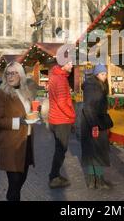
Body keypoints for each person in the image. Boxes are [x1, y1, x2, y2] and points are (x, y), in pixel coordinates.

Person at [0, 62, 35, 201]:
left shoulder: (25, 92)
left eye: (14, 73)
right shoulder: (0, 93)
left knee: (21, 181)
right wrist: (17, 122)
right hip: (11, 145)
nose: (10, 76)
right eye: (8, 73)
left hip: (25, 142)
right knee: (14, 184)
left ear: (21, 74)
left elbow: (27, 113)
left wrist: (35, 115)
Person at [81, 64, 113, 189]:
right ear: (96, 74)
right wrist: (94, 125)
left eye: (105, 74)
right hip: (94, 123)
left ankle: (94, 180)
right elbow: (88, 107)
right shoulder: (93, 86)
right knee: (97, 151)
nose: (104, 76)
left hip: (94, 122)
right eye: (102, 74)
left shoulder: (97, 85)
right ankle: (96, 180)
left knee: (94, 151)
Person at [47, 59, 75, 189]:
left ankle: (55, 174)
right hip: (61, 120)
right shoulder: (60, 79)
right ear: (63, 64)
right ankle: (54, 177)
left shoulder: (56, 76)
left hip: (56, 119)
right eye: (69, 63)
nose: (72, 65)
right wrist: (72, 115)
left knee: (60, 149)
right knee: (60, 150)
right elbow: (62, 102)